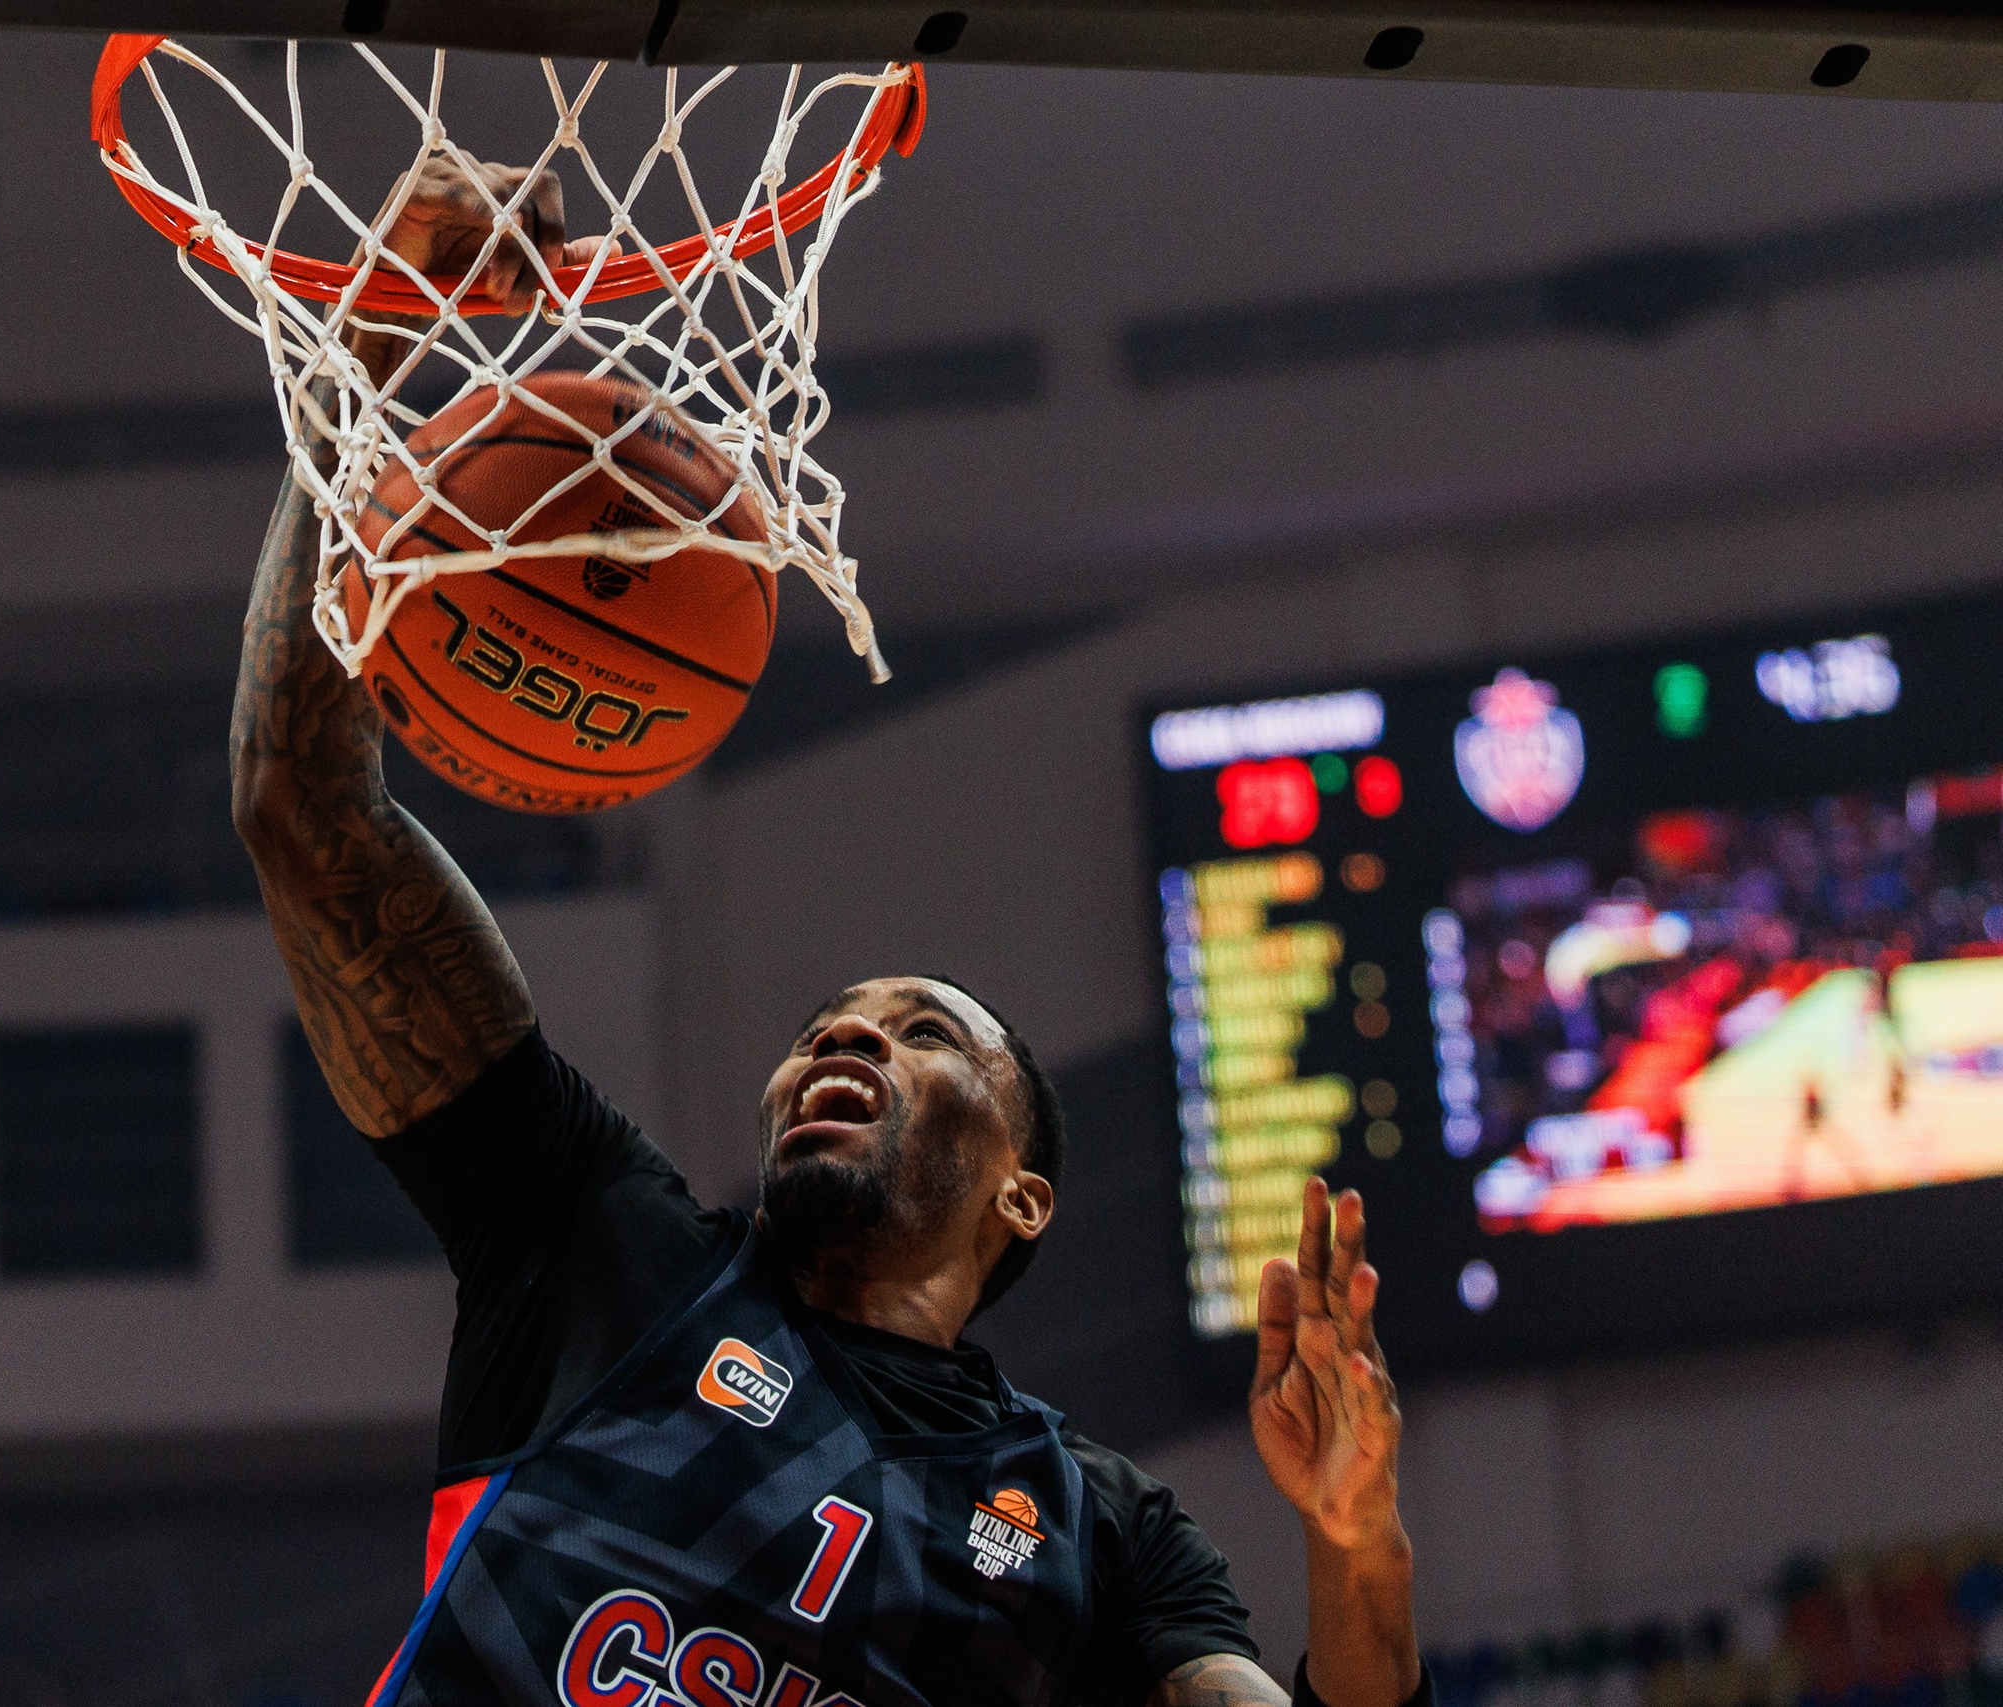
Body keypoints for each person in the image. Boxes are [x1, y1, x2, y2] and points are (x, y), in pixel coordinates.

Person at [232, 156, 1424, 1707]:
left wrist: (1357, 1533)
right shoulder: (605, 1246)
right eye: (828, 1027)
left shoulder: (1099, 1529)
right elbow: (302, 814)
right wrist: (388, 325)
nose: (844, 1034)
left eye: (927, 1032)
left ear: (1026, 1198)